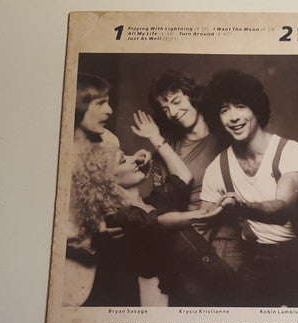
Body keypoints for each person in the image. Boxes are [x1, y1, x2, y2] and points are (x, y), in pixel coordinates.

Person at [200, 69, 298, 308]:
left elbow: (283, 209)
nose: (233, 117)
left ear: (256, 107)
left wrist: (242, 207)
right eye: (224, 110)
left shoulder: (291, 151)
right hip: (256, 260)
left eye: (240, 106)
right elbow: (202, 225)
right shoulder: (217, 168)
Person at [72, 110, 234, 307]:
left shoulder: (154, 202)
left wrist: (155, 139)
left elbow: (183, 178)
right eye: (123, 160)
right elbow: (157, 222)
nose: (135, 159)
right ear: (108, 181)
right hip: (191, 296)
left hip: (217, 279)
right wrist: (203, 214)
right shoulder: (119, 219)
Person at [148, 70, 243, 270]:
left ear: (193, 95)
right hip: (184, 245)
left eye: (176, 101)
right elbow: (162, 210)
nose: (173, 112)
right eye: (165, 109)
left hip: (225, 243)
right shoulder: (166, 151)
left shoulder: (229, 138)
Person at [64, 74, 121, 306]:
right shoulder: (52, 147)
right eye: (100, 103)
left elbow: (112, 191)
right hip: (64, 267)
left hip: (103, 261)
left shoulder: (110, 142)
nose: (109, 111)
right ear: (78, 104)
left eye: (108, 102)